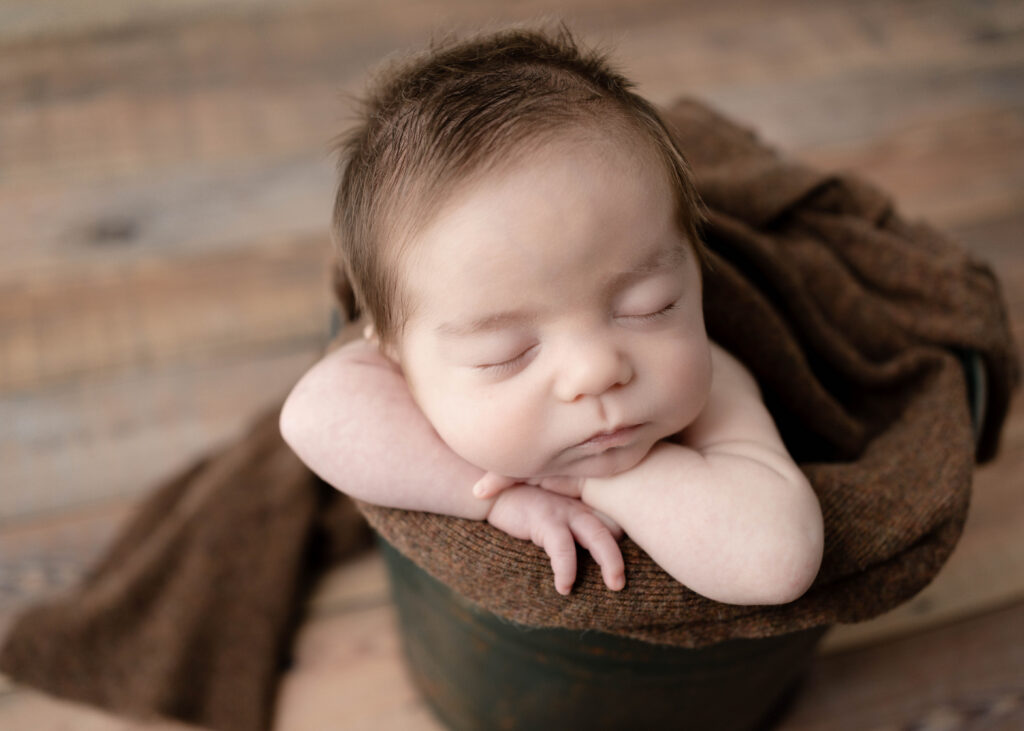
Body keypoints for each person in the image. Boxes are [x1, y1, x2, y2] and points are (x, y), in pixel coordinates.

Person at [279, 26, 823, 604]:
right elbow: (312, 417)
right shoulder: (401, 365)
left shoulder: (717, 387)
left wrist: (596, 483)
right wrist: (494, 496)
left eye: (652, 307)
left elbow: (774, 561)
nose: (596, 371)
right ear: (394, 355)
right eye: (506, 353)